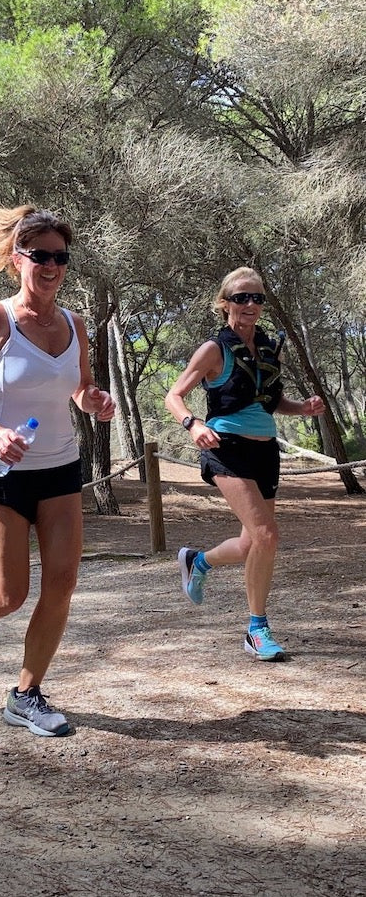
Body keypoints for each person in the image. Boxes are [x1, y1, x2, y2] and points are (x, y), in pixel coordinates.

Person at [0, 205, 115, 737]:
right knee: (9, 595)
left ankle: (26, 694)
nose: (52, 265)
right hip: (1, 473)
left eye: (61, 256)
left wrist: (95, 400)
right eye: (40, 255)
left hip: (59, 466)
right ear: (18, 259)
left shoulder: (76, 324)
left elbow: (80, 390)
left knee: (61, 584)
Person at [164, 266, 325, 661]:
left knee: (253, 542)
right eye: (241, 298)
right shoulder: (213, 350)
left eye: (257, 298)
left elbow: (269, 402)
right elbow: (174, 395)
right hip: (225, 446)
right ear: (225, 304)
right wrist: (193, 424)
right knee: (268, 535)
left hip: (265, 450)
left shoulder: (269, 347)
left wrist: (301, 408)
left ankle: (198, 561)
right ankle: (257, 629)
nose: (250, 304)